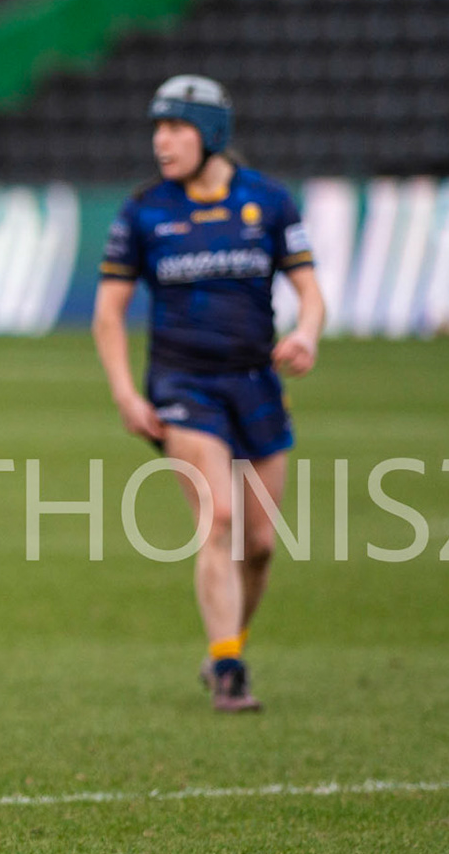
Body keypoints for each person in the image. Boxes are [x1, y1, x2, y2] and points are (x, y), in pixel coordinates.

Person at [91, 75, 328, 712]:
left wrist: (305, 335)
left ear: (212, 133)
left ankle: (229, 643)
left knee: (259, 543)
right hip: (180, 387)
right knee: (217, 519)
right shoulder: (144, 211)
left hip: (255, 384)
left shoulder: (269, 203)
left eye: (176, 128)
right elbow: (109, 314)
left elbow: (310, 293)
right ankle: (229, 671)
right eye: (157, 129)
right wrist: (124, 394)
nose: (162, 141)